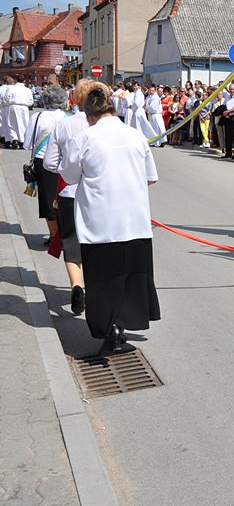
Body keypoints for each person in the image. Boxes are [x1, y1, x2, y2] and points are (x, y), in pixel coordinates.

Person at [59, 86, 160, 356]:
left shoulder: (85, 137)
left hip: (100, 223)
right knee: (131, 277)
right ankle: (122, 326)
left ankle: (109, 328)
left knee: (103, 279)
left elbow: (68, 176)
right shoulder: (136, 136)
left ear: (89, 114)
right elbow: (151, 177)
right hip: (134, 222)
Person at [43, 80, 101, 315]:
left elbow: (49, 162)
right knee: (96, 243)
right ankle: (96, 288)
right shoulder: (103, 124)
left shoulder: (64, 125)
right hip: (97, 193)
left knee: (71, 241)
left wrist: (66, 168)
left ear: (75, 99)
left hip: (68, 191)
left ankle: (77, 286)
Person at [23, 85, 67, 244]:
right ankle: (67, 235)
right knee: (66, 199)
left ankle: (54, 237)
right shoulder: (68, 118)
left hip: (43, 162)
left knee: (48, 200)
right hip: (65, 163)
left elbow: (27, 144)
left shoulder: (37, 117)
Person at [7, 74, 33, 148]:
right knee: (24, 123)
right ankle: (22, 141)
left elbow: (7, 97)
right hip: (23, 106)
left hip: (13, 105)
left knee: (12, 123)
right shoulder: (27, 89)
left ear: (15, 80)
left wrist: (10, 102)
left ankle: (14, 139)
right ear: (24, 80)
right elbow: (31, 101)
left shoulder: (11, 88)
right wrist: (27, 104)